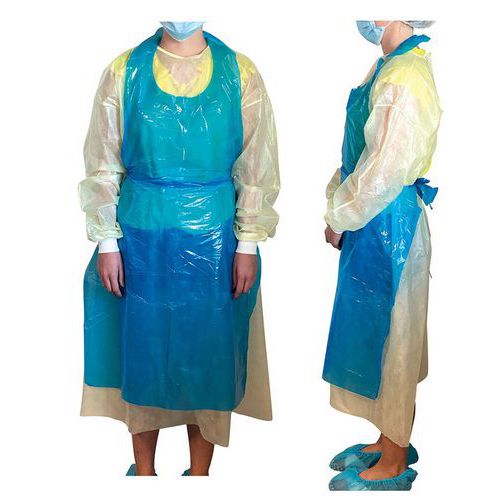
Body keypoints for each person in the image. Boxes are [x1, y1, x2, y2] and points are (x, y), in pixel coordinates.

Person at [79, 21, 279, 477]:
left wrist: (248, 243)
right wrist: (107, 239)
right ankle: (145, 472)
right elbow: (102, 160)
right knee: (143, 352)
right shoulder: (124, 71)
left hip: (216, 243)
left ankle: (199, 474)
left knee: (208, 354)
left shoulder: (241, 74)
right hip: (138, 239)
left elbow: (257, 164)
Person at [323, 21, 441, 491]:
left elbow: (383, 169)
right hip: (374, 217)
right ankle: (387, 439)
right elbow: (364, 154)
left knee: (396, 342)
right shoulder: (388, 66)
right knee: (379, 337)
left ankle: (394, 462)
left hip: (388, 220)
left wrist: (340, 215)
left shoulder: (405, 75)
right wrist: (343, 207)